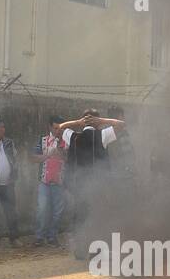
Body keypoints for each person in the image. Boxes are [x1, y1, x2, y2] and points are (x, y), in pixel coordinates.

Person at [58, 109, 124, 259]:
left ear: (83, 123)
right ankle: (96, 252)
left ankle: (80, 251)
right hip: (98, 186)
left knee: (80, 218)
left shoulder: (73, 136)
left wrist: (77, 123)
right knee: (97, 217)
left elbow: (59, 128)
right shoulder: (103, 134)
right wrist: (103, 122)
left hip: (78, 186)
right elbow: (121, 125)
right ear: (97, 122)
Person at [32, 115, 68, 246]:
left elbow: (70, 159)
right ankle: (40, 236)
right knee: (42, 209)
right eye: (56, 128)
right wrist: (47, 155)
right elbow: (33, 158)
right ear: (50, 127)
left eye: (60, 128)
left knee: (57, 211)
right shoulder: (43, 140)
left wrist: (61, 153)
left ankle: (52, 236)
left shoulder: (66, 142)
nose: (58, 130)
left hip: (59, 182)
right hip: (44, 182)